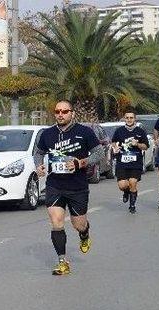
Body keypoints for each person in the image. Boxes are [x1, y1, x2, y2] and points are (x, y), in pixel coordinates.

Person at [34, 100, 104, 275]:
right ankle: (62, 262)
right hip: (54, 185)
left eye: (65, 111)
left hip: (77, 186)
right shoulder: (47, 134)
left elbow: (99, 153)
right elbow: (39, 152)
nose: (60, 114)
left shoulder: (84, 132)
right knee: (56, 221)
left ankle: (84, 234)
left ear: (72, 113)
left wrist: (81, 163)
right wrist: (39, 165)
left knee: (78, 223)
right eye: (57, 111)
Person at [110, 108, 149, 214]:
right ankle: (126, 192)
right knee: (122, 185)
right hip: (122, 162)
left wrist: (137, 144)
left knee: (132, 182)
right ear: (124, 119)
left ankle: (132, 205)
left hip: (136, 162)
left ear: (135, 119)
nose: (129, 119)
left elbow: (145, 146)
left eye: (131, 118)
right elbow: (113, 142)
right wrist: (115, 147)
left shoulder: (140, 132)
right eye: (127, 118)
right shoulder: (119, 131)